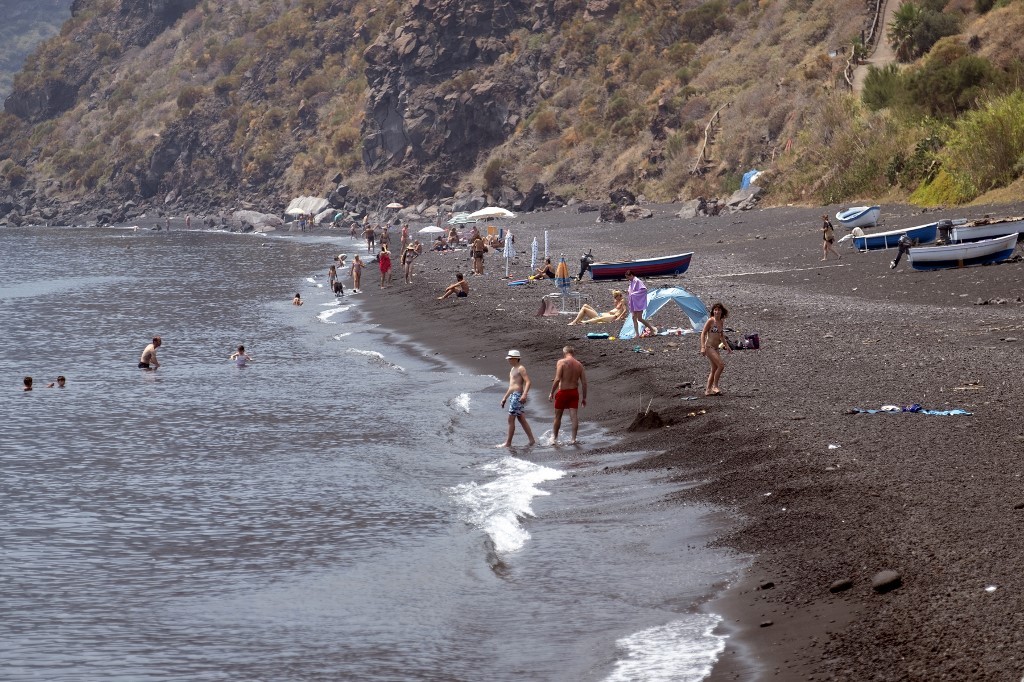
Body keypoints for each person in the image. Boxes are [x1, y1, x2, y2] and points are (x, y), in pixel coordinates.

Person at [549, 346, 588, 444]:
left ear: (564, 353)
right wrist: (584, 398)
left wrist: (551, 392)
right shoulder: (579, 365)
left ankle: (554, 439)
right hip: (574, 392)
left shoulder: (561, 362)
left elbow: (557, 379)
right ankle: (573, 439)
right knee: (574, 417)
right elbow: (584, 383)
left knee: (558, 416)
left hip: (563, 392)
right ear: (573, 353)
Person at [498, 349, 537, 447]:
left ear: (516, 359)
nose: (508, 360)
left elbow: (528, 382)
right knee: (521, 419)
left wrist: (524, 394)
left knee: (510, 420)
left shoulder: (521, 368)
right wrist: (505, 398)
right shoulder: (512, 369)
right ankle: (532, 440)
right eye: (508, 359)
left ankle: (508, 443)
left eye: (510, 359)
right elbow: (511, 386)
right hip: (513, 395)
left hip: (518, 396)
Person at [700, 302, 732, 396]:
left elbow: (721, 336)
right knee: (721, 365)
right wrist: (702, 347)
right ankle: (715, 386)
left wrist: (727, 346)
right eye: (715, 310)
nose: (716, 312)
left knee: (714, 369)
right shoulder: (711, 321)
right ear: (713, 311)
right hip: (709, 347)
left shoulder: (721, 322)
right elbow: (703, 333)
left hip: (716, 348)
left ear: (722, 312)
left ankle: (708, 390)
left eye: (718, 310)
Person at [625, 271, 657, 338]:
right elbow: (630, 290)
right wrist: (628, 293)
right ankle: (637, 334)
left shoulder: (637, 281)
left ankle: (651, 329)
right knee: (634, 318)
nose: (628, 279)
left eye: (628, 277)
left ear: (631, 275)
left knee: (639, 318)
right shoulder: (631, 282)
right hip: (633, 302)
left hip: (638, 302)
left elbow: (644, 290)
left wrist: (633, 294)